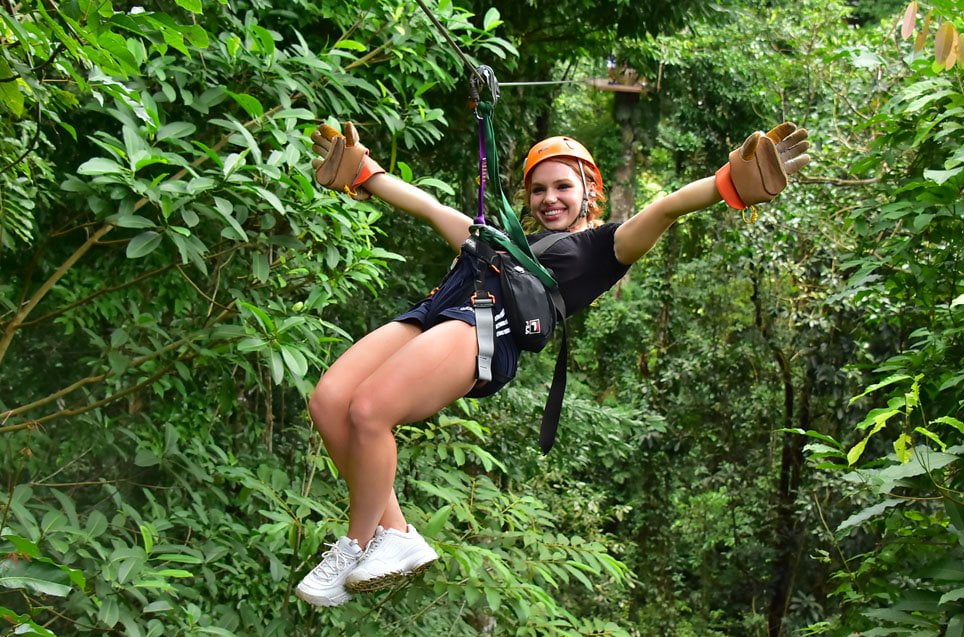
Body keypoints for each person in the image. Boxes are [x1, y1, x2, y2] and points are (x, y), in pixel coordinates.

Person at [294, 120, 810, 606]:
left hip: (482, 328)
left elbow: (668, 207)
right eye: (538, 190)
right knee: (330, 401)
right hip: (434, 312)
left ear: (591, 190)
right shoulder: (501, 239)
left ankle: (357, 544)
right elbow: (431, 209)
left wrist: (727, 183)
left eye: (563, 187)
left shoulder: (602, 247)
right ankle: (397, 533)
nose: (549, 199)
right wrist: (366, 175)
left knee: (368, 412)